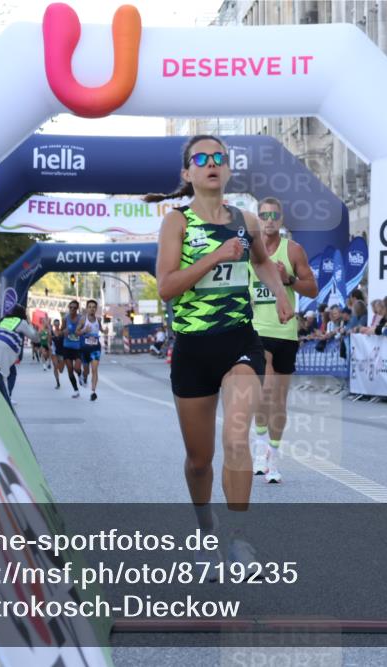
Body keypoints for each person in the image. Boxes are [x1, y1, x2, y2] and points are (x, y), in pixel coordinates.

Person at [146, 135, 292, 570]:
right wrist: (213, 257)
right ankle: (205, 530)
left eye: (219, 158)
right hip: (193, 348)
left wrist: (280, 294)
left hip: (238, 342)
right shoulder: (177, 223)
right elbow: (167, 286)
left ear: (227, 170)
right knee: (198, 460)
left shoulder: (245, 221)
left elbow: (262, 261)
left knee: (236, 436)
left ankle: (240, 539)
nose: (212, 164)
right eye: (202, 158)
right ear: (187, 174)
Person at [247, 197, 318, 484]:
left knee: (278, 401)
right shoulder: (249, 251)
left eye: (274, 215)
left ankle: (273, 459)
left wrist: (288, 279)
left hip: (285, 332)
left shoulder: (294, 250)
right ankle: (259, 448)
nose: (269, 220)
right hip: (256, 331)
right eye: (264, 215)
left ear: (281, 218)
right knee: (264, 393)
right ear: (258, 218)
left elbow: (312, 289)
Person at [0, 305, 38, 400]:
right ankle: (5, 398)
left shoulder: (4, 319)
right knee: (5, 374)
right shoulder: (21, 322)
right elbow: (35, 338)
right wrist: (30, 324)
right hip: (3, 347)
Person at [79, 299, 105, 401]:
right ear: (87, 308)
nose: (92, 309)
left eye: (94, 307)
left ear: (96, 309)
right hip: (85, 349)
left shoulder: (98, 320)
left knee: (94, 370)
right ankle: (84, 377)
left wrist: (105, 331)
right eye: (89, 307)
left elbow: (102, 329)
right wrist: (84, 330)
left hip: (95, 348)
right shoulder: (83, 319)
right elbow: (77, 332)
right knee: (86, 371)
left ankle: (93, 392)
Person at [60, 300, 85, 397]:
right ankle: (76, 390)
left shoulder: (81, 319)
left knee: (76, 368)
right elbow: (61, 330)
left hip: (78, 347)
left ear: (77, 309)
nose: (72, 309)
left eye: (74, 308)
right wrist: (64, 331)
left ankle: (80, 374)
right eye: (71, 307)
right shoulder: (65, 318)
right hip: (67, 347)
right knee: (70, 369)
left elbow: (85, 330)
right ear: (68, 308)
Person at [50, 319, 65, 390]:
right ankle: (58, 382)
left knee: (61, 370)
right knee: (55, 366)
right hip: (54, 352)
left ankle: (59, 365)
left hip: (62, 352)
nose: (56, 325)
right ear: (54, 325)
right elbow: (48, 341)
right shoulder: (51, 332)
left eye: (57, 324)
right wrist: (50, 349)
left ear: (59, 324)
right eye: (55, 324)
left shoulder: (62, 332)